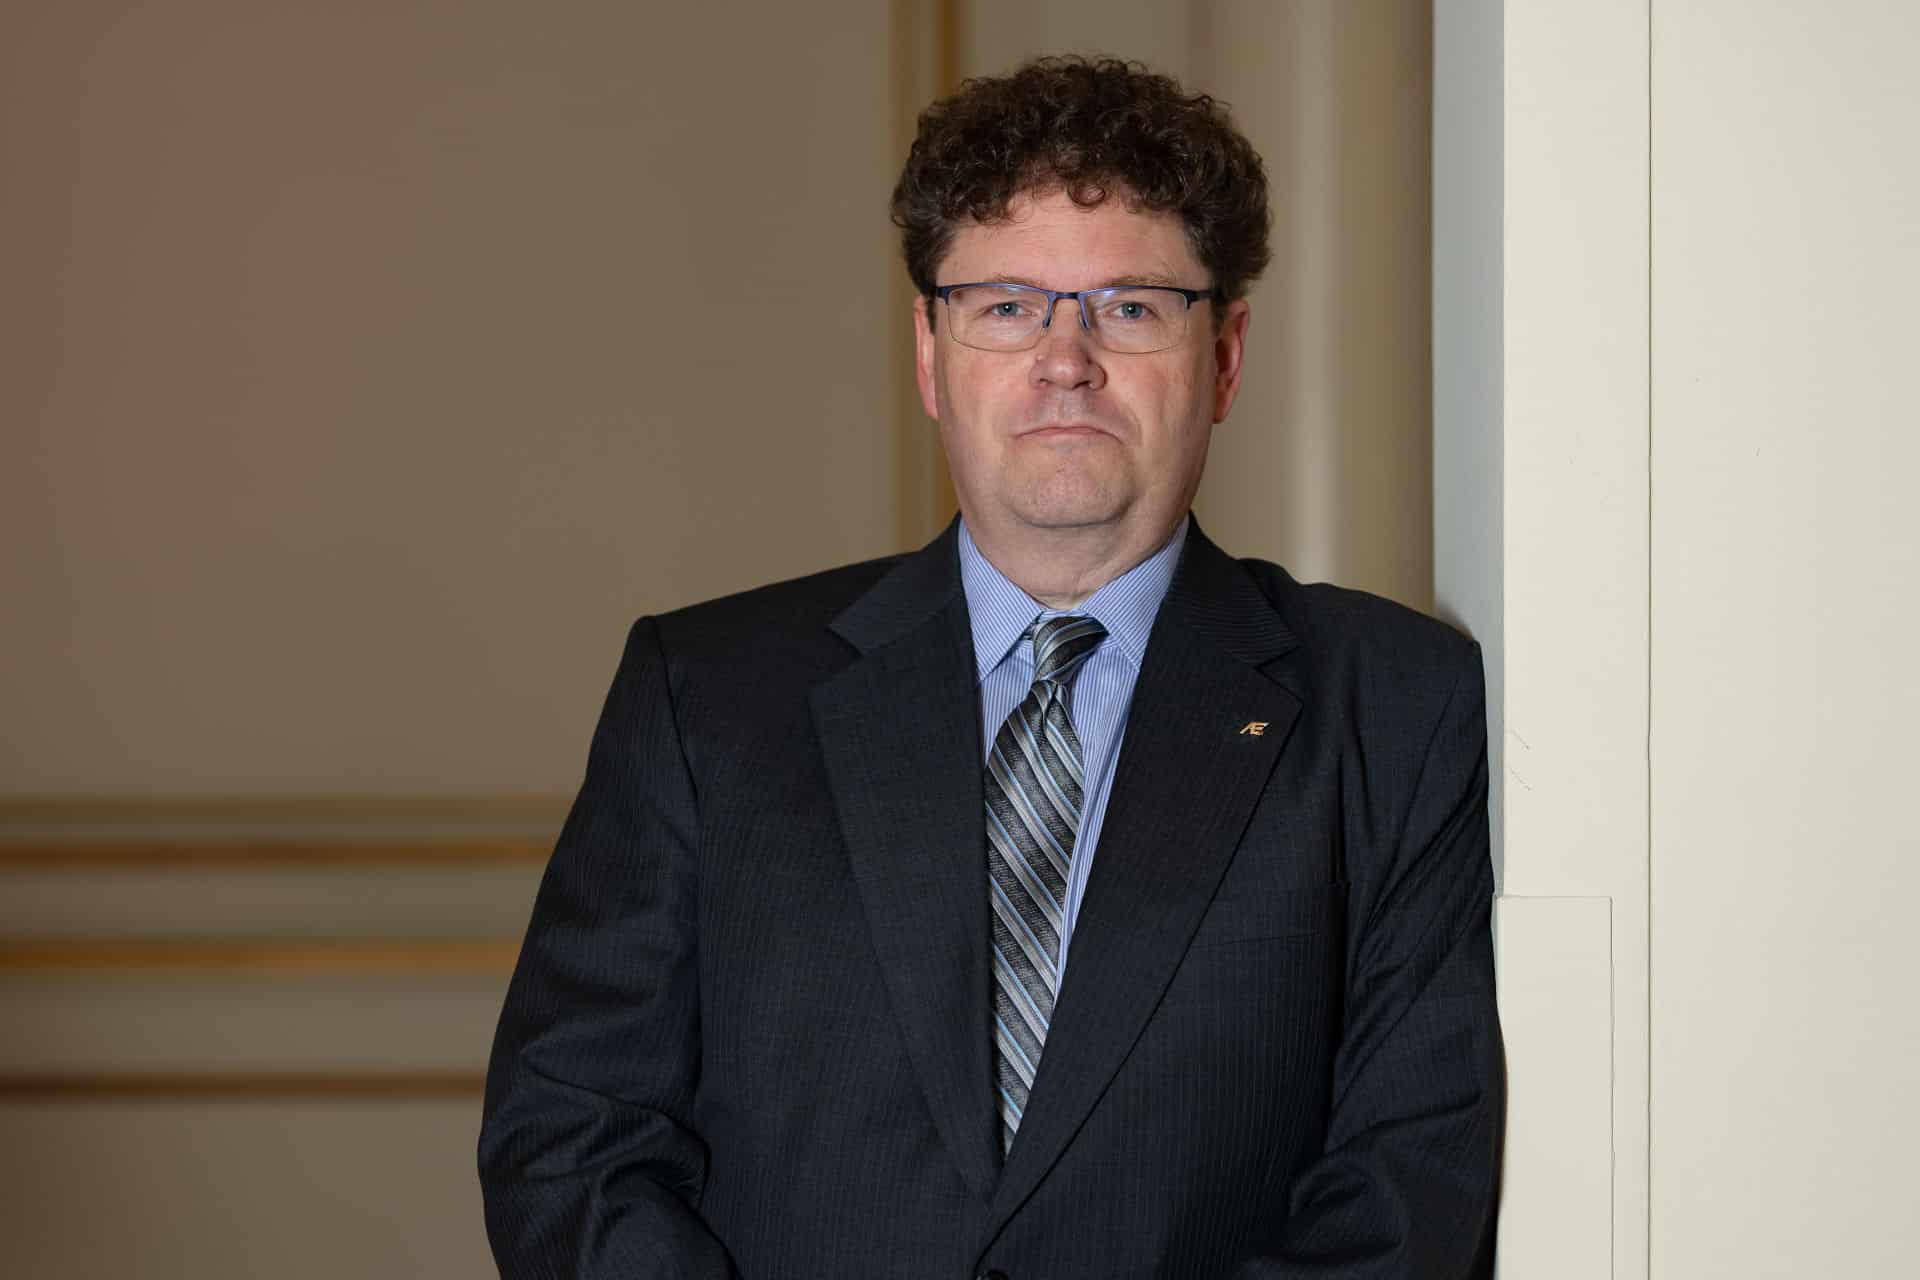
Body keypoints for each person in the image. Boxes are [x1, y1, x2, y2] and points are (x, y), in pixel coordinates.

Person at [479, 56, 1501, 1279]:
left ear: (1225, 354)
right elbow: (571, 1136)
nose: (1066, 360)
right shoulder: (703, 696)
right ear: (930, 351)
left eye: (1132, 306)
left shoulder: (1395, 705)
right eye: (1008, 306)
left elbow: (1403, 1191)